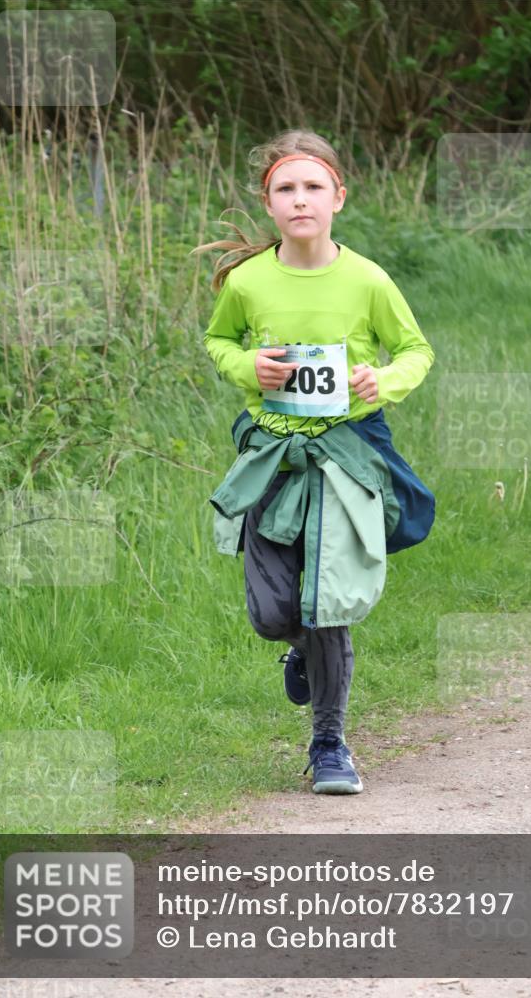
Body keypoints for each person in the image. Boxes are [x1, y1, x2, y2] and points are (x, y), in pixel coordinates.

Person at [191, 129, 436, 795]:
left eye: (313, 187)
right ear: (267, 203)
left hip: (344, 455)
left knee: (326, 603)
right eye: (285, 189)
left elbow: (415, 351)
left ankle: (329, 744)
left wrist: (381, 382)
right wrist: (250, 366)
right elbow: (218, 340)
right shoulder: (247, 281)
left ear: (338, 198)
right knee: (274, 615)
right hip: (273, 455)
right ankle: (298, 646)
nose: (300, 200)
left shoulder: (366, 279)